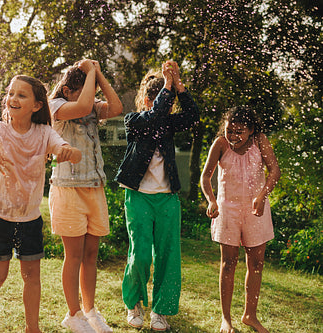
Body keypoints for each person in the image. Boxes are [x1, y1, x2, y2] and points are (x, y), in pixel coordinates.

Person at [0, 75, 81, 333]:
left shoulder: (45, 133)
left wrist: (70, 152)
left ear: (36, 105)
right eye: (11, 93)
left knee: (32, 276)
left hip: (29, 219)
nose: (13, 99)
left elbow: (70, 151)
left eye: (22, 95)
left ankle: (32, 328)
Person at [115, 60, 199, 331]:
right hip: (138, 196)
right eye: (151, 98)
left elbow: (193, 116)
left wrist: (180, 88)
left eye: (160, 98)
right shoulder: (135, 121)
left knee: (167, 255)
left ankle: (160, 311)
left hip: (167, 198)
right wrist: (167, 85)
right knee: (140, 254)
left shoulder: (170, 123)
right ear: (146, 99)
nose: (156, 103)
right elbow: (154, 116)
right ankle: (134, 303)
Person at [48, 59, 123, 333]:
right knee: (74, 255)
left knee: (91, 254)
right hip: (68, 188)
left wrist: (99, 74)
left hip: (95, 187)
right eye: (84, 91)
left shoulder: (90, 107)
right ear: (67, 90)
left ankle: (90, 310)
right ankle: (73, 313)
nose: (90, 100)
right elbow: (81, 106)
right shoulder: (56, 107)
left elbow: (116, 108)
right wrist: (90, 71)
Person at [200, 106, 280, 333]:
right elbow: (205, 176)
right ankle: (226, 319)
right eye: (229, 130)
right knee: (228, 264)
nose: (233, 136)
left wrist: (263, 195)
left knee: (256, 263)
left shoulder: (260, 141)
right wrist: (211, 201)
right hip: (228, 210)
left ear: (251, 130)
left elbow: (275, 170)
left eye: (239, 131)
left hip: (256, 208)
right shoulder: (220, 144)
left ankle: (250, 315)